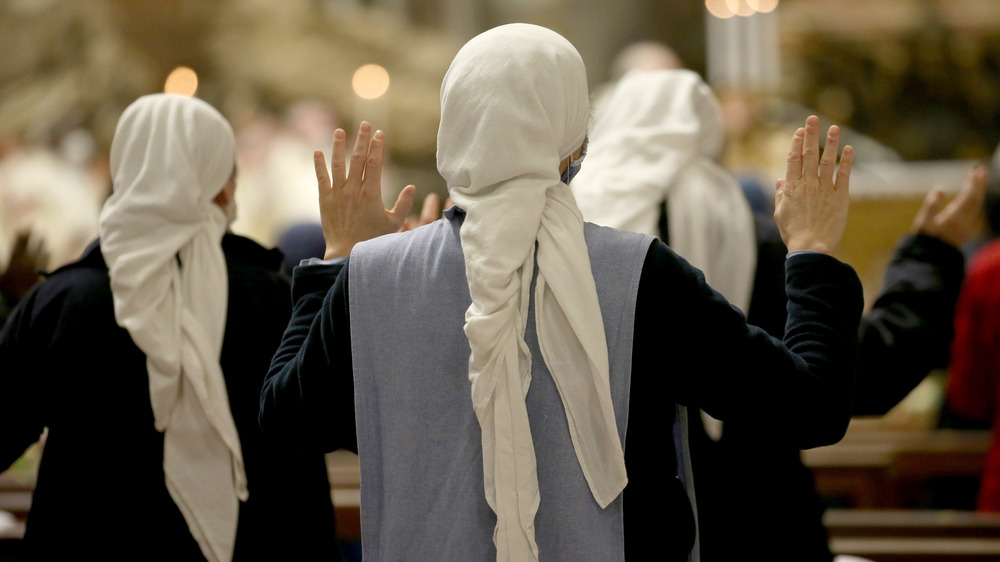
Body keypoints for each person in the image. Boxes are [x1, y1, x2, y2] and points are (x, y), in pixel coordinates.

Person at [260, 24, 863, 561]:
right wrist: (810, 252)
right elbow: (808, 408)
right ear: (575, 142)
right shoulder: (640, 272)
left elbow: (287, 425)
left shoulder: (375, 275)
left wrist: (336, 260)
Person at [571, 68, 984, 560]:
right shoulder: (753, 239)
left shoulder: (575, 245)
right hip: (761, 527)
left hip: (621, 532)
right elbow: (865, 373)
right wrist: (927, 258)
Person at [0, 94, 338, 561]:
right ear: (224, 182)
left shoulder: (61, 301)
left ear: (125, 173)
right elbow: (311, 443)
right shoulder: (275, 298)